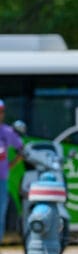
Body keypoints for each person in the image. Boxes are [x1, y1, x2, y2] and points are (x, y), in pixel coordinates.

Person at [0, 99, 24, 240]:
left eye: (1, 111)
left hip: (2, 179)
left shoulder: (7, 132)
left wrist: (10, 165)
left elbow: (21, 150)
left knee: (0, 212)